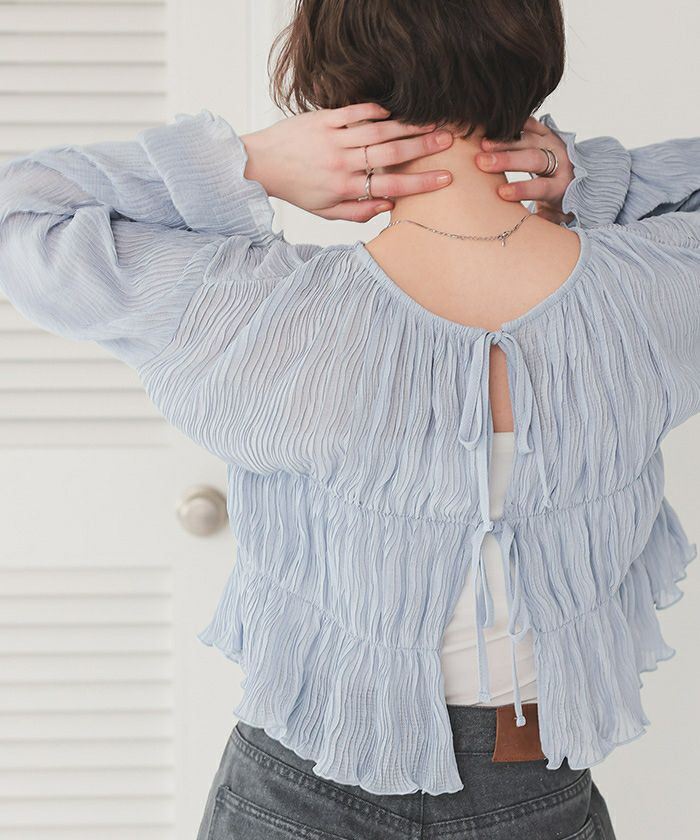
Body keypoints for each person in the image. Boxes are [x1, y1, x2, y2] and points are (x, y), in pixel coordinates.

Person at [1, 1, 698, 838]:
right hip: (535, 790)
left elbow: (21, 213)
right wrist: (585, 174)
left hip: (294, 792)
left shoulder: (258, 309)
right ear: (533, 53)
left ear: (335, 87)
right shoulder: (656, 290)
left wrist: (247, 161)